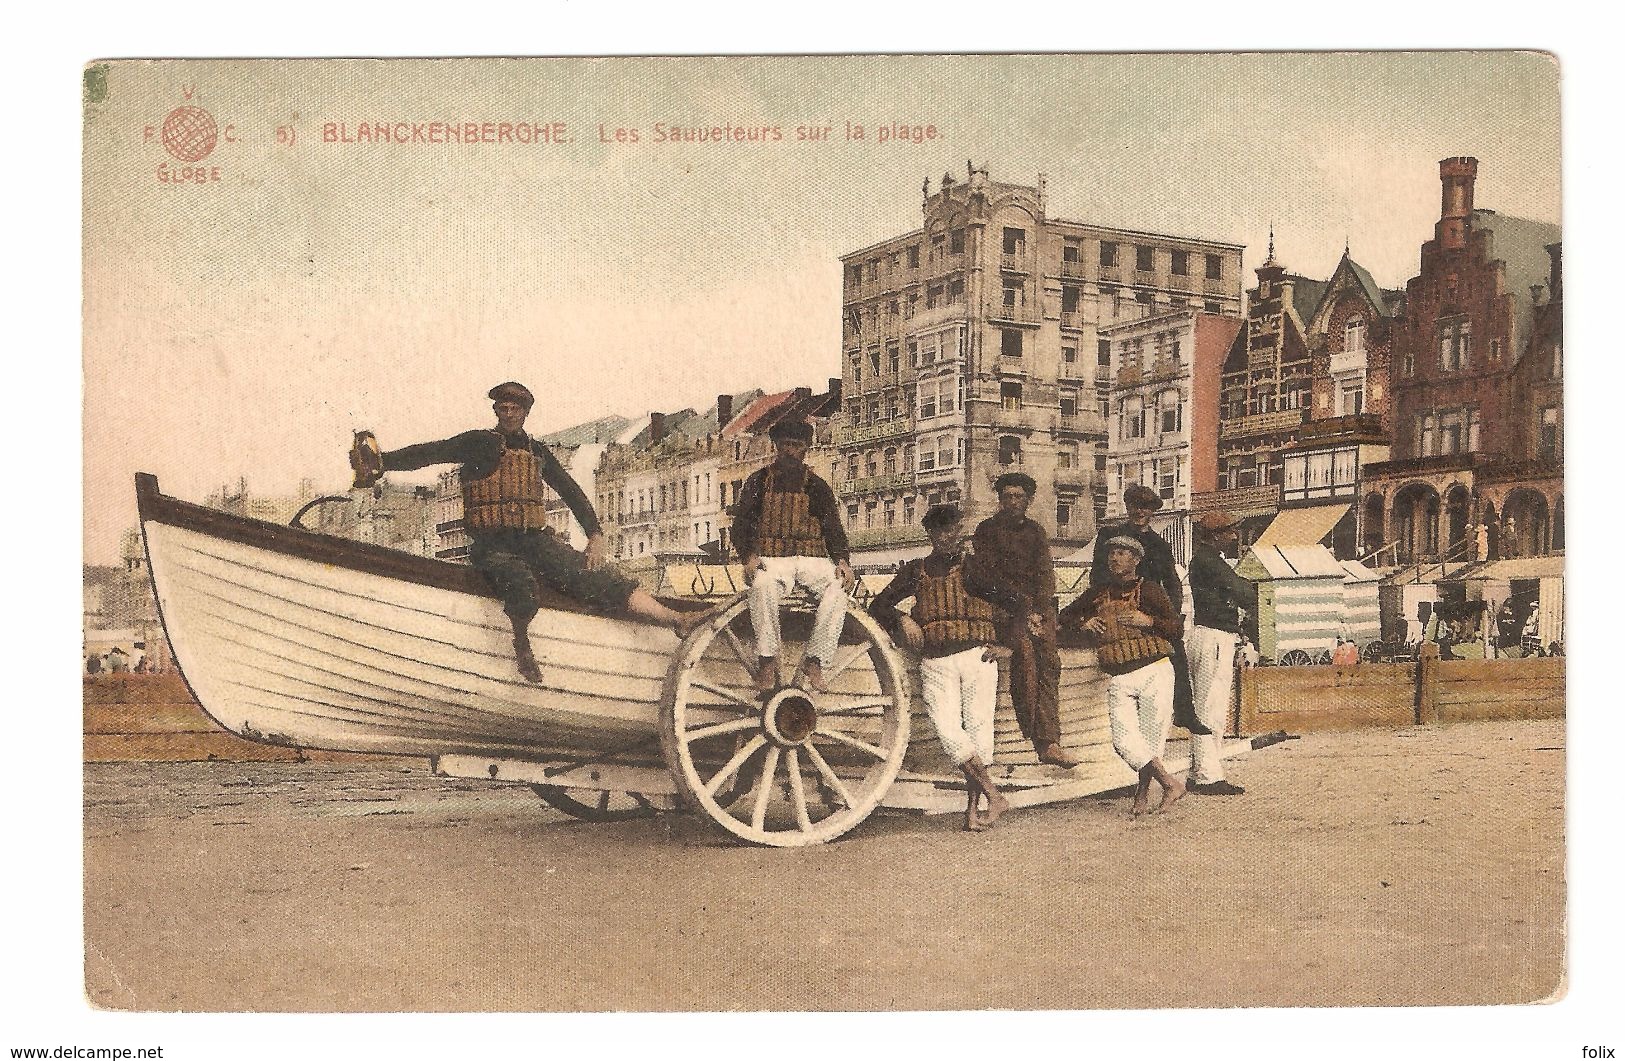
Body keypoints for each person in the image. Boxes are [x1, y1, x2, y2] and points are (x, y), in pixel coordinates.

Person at [352, 382, 712, 683]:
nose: (507, 414)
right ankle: (522, 646)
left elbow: (570, 490)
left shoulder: (537, 452)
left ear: (525, 413)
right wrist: (384, 463)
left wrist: (596, 535)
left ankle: (676, 619)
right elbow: (432, 453)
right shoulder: (479, 442)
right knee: (520, 582)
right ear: (496, 411)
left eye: (514, 409)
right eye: (502, 408)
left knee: (600, 578)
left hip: (534, 539)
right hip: (493, 544)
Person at [870, 504, 1028, 831]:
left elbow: (1018, 603)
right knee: (949, 733)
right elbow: (878, 606)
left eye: (952, 529)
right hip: (935, 661)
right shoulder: (915, 570)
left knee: (978, 733)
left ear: (960, 530)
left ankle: (972, 812)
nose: (947, 537)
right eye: (940, 531)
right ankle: (993, 794)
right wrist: (902, 618)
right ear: (930, 534)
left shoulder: (977, 568)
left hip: (977, 657)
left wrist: (1007, 646)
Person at [1060, 535, 1186, 815]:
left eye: (1122, 553)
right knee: (1124, 742)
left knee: (1152, 740)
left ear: (1136, 560)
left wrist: (1149, 621)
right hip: (1118, 674)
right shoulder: (1097, 592)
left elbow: (1176, 629)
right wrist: (1085, 621)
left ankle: (1141, 798)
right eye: (1111, 553)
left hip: (1155, 669)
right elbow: (1064, 616)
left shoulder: (1150, 590)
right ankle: (1169, 783)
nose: (1114, 558)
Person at [732, 418, 853, 693]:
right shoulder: (758, 481)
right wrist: (749, 557)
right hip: (773, 558)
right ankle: (767, 660)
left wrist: (843, 561)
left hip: (812, 560)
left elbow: (833, 527)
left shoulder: (818, 486)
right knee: (761, 586)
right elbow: (741, 524)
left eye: (796, 446)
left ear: (806, 449)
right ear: (776, 446)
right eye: (785, 445)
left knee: (838, 589)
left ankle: (816, 659)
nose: (790, 451)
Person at [973, 472, 1080, 768]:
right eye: (1007, 496)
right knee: (1026, 659)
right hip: (1001, 608)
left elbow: (1045, 576)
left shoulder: (1035, 532)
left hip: (1033, 611)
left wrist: (1041, 612)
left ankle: (1051, 742)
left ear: (1029, 500)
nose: (1012, 502)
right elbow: (987, 577)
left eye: (1019, 497)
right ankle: (1040, 741)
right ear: (999, 499)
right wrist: (1024, 609)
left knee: (1050, 662)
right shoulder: (986, 531)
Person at [1091, 484, 1206, 737]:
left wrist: (1171, 614)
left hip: (1148, 604)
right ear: (1127, 507)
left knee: (1175, 646)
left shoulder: (1160, 545)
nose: (1138, 511)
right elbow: (1096, 576)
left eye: (1144, 507)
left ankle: (1185, 712)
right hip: (1116, 600)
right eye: (1134, 505)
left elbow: (1172, 583)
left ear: (1152, 511)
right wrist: (1101, 607)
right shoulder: (1111, 535)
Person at [1184, 510, 1258, 796]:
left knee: (1207, 706)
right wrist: (1237, 593)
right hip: (1214, 637)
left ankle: (1199, 770)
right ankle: (1207, 776)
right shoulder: (1210, 562)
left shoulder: (1204, 561)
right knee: (1210, 709)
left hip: (1208, 635)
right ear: (1214, 536)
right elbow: (1246, 594)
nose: (1233, 535)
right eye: (1228, 531)